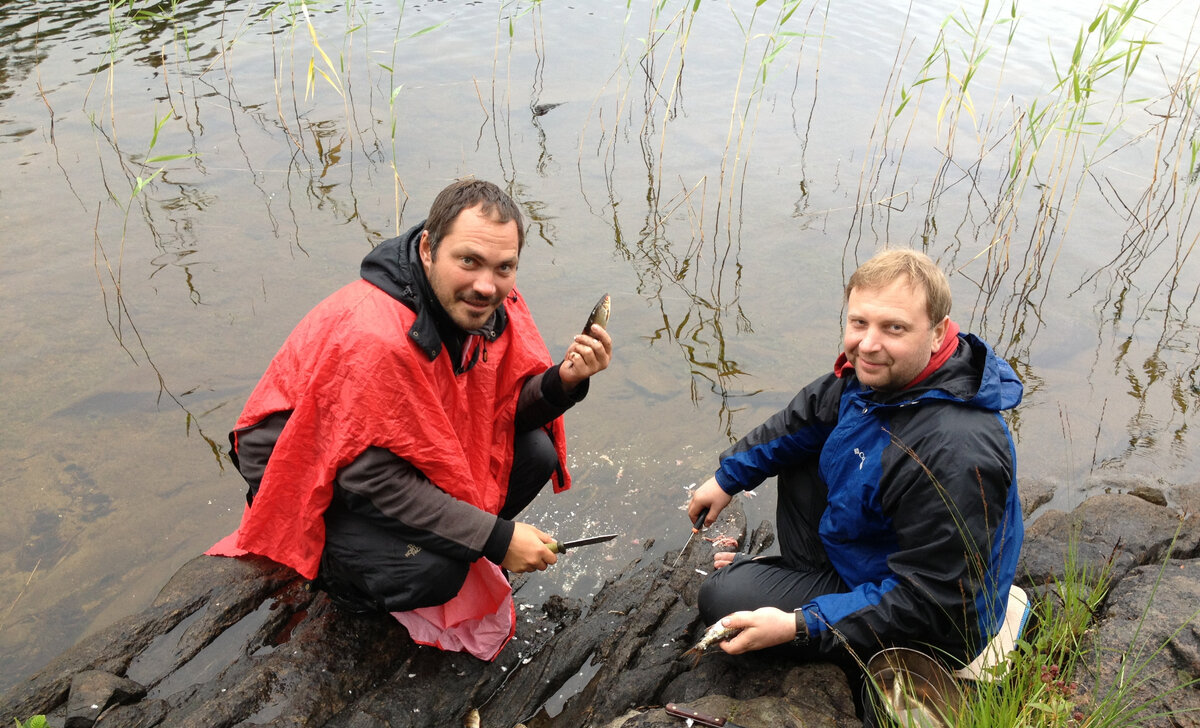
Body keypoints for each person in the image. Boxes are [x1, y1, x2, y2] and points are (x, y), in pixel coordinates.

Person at [209, 178, 612, 655]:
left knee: (535, 453)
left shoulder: (486, 305)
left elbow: (495, 412)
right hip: (316, 475)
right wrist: (495, 538)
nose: (487, 285)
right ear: (427, 249)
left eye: (504, 267)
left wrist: (562, 383)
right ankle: (347, 581)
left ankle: (445, 542)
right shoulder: (374, 335)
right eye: (469, 261)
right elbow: (368, 476)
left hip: (383, 457)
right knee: (435, 572)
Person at [685, 247, 1023, 669]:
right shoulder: (887, 374)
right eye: (858, 322)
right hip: (873, 556)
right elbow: (803, 417)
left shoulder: (955, 451)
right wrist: (727, 478)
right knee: (804, 447)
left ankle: (810, 599)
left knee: (721, 597)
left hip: (929, 628)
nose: (868, 344)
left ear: (938, 332)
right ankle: (803, 580)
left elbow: (934, 604)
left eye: (893, 328)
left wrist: (800, 624)